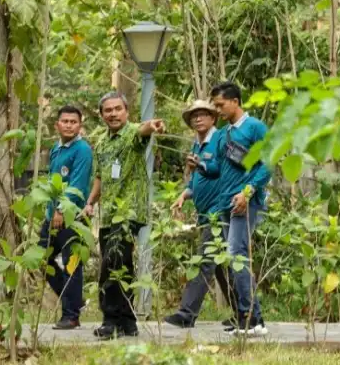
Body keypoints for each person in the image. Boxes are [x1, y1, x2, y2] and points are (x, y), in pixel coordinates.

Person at [82, 92, 165, 340]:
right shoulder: (102, 144)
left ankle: (110, 321)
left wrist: (151, 126)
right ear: (102, 115)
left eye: (118, 109)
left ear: (126, 111)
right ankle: (128, 322)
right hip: (109, 214)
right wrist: (90, 202)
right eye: (108, 110)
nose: (113, 114)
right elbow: (100, 177)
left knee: (111, 264)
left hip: (129, 211)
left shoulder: (131, 134)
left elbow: (143, 132)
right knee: (121, 264)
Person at [164, 100, 237, 328]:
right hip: (206, 214)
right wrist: (184, 195)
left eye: (203, 114)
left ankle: (187, 313)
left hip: (219, 212)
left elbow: (218, 170)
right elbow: (198, 180)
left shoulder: (220, 140)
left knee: (205, 260)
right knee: (222, 267)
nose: (198, 119)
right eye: (194, 116)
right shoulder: (198, 144)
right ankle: (246, 313)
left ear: (213, 118)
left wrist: (201, 166)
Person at [207, 82, 271, 336]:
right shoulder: (223, 133)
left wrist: (247, 192)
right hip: (224, 202)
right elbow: (219, 170)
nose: (218, 110)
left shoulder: (255, 127)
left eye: (221, 105)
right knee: (233, 257)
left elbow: (268, 164)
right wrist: (200, 166)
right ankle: (250, 316)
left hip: (245, 202)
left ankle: (251, 318)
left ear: (235, 101)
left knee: (236, 254)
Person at [39, 105, 93, 330]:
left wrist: (62, 209)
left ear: (80, 125)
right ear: (57, 125)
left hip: (71, 217)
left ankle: (71, 316)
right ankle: (76, 300)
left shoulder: (82, 150)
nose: (69, 125)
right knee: (43, 260)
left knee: (72, 265)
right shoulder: (56, 149)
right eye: (65, 121)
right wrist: (49, 211)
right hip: (52, 216)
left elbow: (78, 183)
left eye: (74, 121)